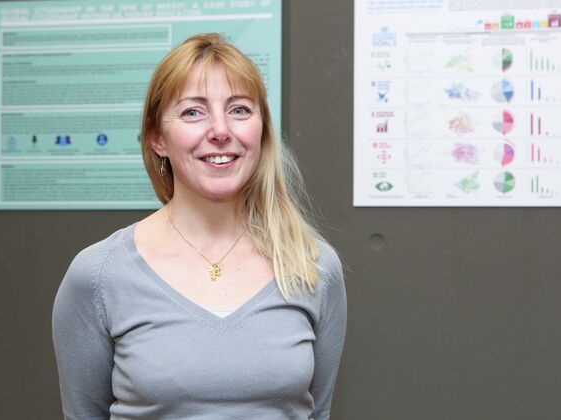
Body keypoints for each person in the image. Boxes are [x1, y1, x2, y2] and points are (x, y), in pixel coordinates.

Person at [52, 33, 346, 420]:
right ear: (158, 139)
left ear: (261, 130)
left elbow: (317, 412)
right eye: (193, 112)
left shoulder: (313, 267)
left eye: (240, 110)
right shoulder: (99, 275)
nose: (221, 130)